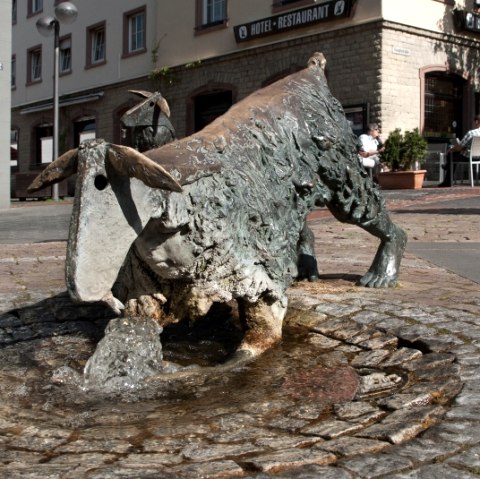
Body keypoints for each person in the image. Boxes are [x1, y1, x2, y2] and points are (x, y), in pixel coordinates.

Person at [439, 115, 480, 187]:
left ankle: (447, 181)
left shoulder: (471, 133)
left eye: (473, 122)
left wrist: (451, 149)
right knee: (453, 154)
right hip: (478, 156)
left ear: (476, 122)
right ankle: (447, 166)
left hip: (468, 157)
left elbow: (459, 148)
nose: (472, 123)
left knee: (451, 155)